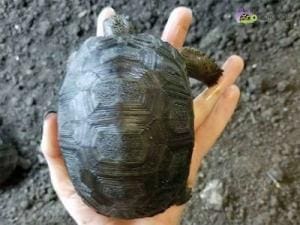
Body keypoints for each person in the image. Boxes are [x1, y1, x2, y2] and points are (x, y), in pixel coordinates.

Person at [41, 6, 244, 225]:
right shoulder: (161, 56)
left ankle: (173, 192)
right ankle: (173, 192)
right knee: (182, 58)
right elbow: (196, 64)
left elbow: (70, 82)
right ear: (132, 29)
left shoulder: (81, 60)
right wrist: (213, 75)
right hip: (154, 190)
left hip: (99, 199)